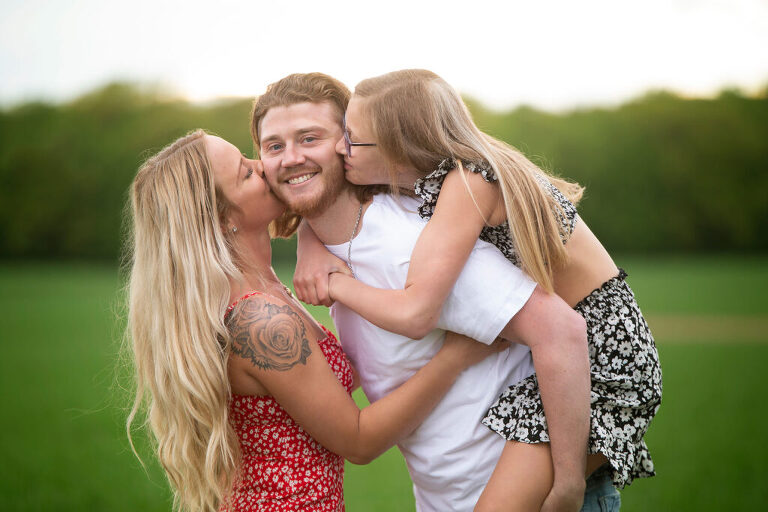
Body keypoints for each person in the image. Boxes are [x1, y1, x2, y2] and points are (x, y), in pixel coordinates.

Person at [306, 69, 663, 509]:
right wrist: (310, 241)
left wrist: (338, 285)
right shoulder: (453, 175)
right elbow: (332, 207)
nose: (342, 147)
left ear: (401, 146)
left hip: (603, 360)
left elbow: (417, 312)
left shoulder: (469, 184)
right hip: (574, 354)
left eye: (353, 139)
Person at [124, 129, 512, 512]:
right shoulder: (261, 320)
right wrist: (456, 355)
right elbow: (358, 441)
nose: (264, 167)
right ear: (223, 220)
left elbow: (328, 379)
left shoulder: (264, 289)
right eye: (246, 173)